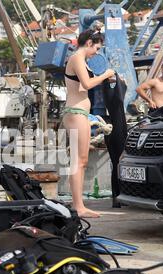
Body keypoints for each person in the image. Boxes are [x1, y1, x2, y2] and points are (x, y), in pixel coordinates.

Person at [63, 29, 115, 218]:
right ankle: (78, 206)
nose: (97, 52)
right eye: (97, 48)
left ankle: (79, 204)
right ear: (89, 43)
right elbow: (86, 84)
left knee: (81, 161)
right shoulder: (77, 57)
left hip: (80, 113)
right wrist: (106, 73)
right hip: (75, 113)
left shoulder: (81, 60)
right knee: (78, 161)